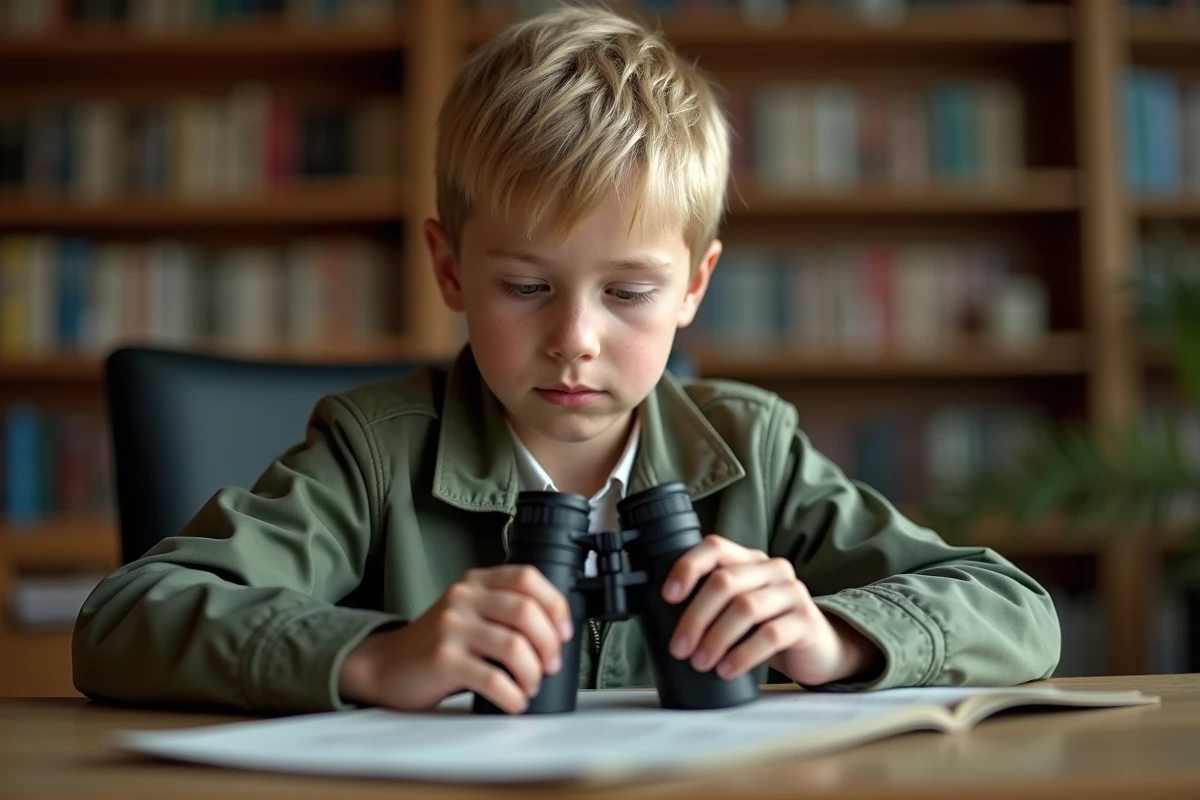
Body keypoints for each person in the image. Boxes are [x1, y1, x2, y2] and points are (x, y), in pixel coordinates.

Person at [73, 5, 1060, 715]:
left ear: (695, 286)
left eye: (627, 292)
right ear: (449, 268)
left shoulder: (750, 444)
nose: (576, 337)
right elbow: (124, 620)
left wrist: (830, 635)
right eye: (526, 285)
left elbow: (1016, 609)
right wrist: (376, 653)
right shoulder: (373, 453)